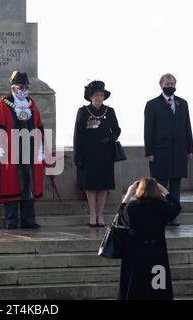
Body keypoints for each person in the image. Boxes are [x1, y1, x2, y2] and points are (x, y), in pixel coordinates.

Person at [0, 71, 45, 230]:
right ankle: (11, 221)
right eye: (20, 87)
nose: (23, 90)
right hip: (10, 153)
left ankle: (28, 221)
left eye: (26, 87)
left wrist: (40, 147)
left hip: (29, 153)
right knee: (11, 186)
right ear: (13, 88)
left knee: (28, 186)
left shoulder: (31, 104)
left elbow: (39, 126)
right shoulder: (3, 105)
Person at [117, 177, 181, 300]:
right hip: (157, 252)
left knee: (135, 287)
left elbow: (120, 217)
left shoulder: (132, 207)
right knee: (158, 288)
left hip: (135, 253)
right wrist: (164, 190)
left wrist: (129, 193)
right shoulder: (162, 207)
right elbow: (176, 207)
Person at [144, 73, 193, 226]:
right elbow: (148, 130)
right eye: (167, 84)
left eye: (172, 83)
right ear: (161, 85)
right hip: (160, 153)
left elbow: (187, 127)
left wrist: (190, 148)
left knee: (175, 186)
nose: (170, 86)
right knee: (160, 186)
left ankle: (173, 216)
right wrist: (149, 152)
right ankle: (160, 216)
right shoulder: (152, 104)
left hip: (179, 152)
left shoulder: (182, 103)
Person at [74, 80, 121, 228]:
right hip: (88, 155)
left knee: (103, 186)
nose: (99, 98)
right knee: (91, 186)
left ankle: (101, 215)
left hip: (105, 155)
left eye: (101, 95)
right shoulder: (83, 111)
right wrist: (78, 156)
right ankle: (92, 215)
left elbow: (117, 130)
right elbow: (78, 135)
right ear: (90, 96)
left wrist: (111, 138)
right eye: (96, 95)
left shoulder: (110, 111)